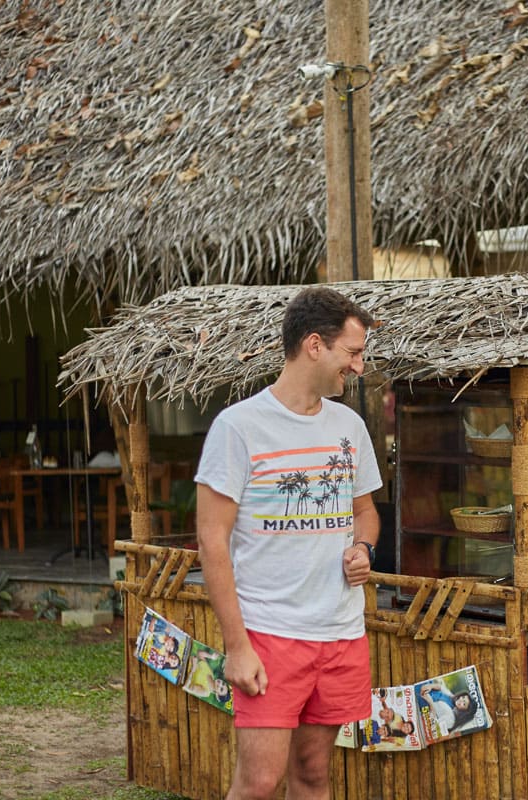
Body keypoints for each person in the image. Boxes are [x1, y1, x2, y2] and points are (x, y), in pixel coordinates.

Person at [196, 286, 382, 800]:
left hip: (340, 631)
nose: (359, 366)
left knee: (313, 775)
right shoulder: (238, 427)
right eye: (353, 352)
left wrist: (363, 549)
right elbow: (212, 542)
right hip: (270, 632)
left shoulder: (350, 427)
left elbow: (366, 514)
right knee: (258, 782)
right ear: (315, 345)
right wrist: (237, 646)